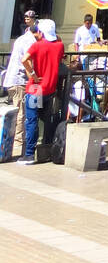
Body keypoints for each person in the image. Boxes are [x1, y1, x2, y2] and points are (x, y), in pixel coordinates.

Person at [20, 19, 65, 164]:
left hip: (35, 88)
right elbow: (58, 39)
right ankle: (46, 149)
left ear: (42, 32)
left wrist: (32, 74)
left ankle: (28, 155)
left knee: (32, 121)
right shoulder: (59, 46)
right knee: (47, 120)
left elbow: (24, 59)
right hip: (50, 89)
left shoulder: (37, 46)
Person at [2, 12, 38, 157]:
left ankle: (14, 143)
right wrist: (34, 77)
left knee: (17, 112)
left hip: (14, 80)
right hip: (19, 81)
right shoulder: (29, 42)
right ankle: (17, 145)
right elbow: (26, 62)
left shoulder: (22, 39)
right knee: (20, 114)